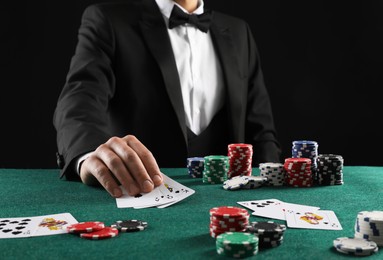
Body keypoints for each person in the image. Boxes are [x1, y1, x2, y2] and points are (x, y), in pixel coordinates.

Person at [53, 0, 281, 198]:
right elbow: (79, 100)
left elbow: (261, 131)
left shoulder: (239, 31)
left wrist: (271, 186)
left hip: (228, 203)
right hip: (142, 197)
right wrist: (89, 154)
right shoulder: (108, 20)